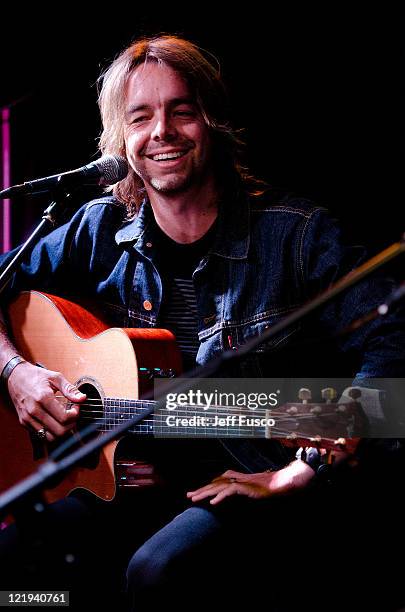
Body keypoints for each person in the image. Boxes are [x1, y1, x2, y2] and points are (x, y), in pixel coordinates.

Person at [0, 35, 404, 611]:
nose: (160, 131)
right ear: (121, 141)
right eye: (140, 117)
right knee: (19, 586)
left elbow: (393, 365)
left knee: (159, 573)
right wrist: (17, 373)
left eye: (180, 111)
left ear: (211, 122)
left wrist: (304, 469)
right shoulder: (98, 228)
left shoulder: (298, 235)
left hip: (252, 483)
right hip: (128, 483)